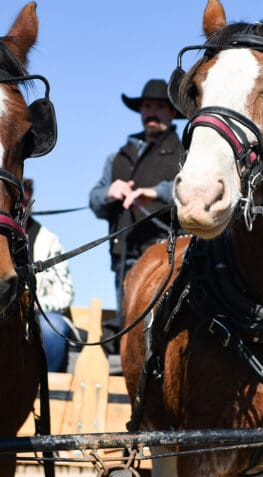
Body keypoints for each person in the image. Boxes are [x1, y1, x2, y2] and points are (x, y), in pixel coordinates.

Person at [89, 79, 184, 318]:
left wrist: (156, 193)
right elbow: (94, 199)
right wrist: (110, 192)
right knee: (129, 332)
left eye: (160, 107)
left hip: (171, 257)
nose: (152, 113)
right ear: (140, 110)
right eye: (148, 106)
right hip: (126, 257)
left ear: (172, 112)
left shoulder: (186, 153)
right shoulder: (117, 157)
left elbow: (191, 190)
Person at [23, 179, 75, 372]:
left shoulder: (49, 240)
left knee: (53, 330)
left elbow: (66, 293)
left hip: (40, 315)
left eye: (25, 189)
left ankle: (50, 393)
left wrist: (36, 305)